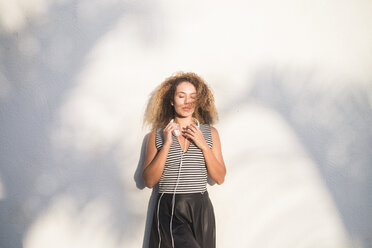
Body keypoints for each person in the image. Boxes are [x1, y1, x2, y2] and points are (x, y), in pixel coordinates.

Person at [142, 72, 226, 248]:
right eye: (181, 96)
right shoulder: (156, 135)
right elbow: (149, 181)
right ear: (172, 100)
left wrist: (203, 145)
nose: (187, 102)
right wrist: (166, 145)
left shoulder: (210, 134)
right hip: (170, 207)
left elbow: (219, 177)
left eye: (192, 97)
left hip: (201, 208)